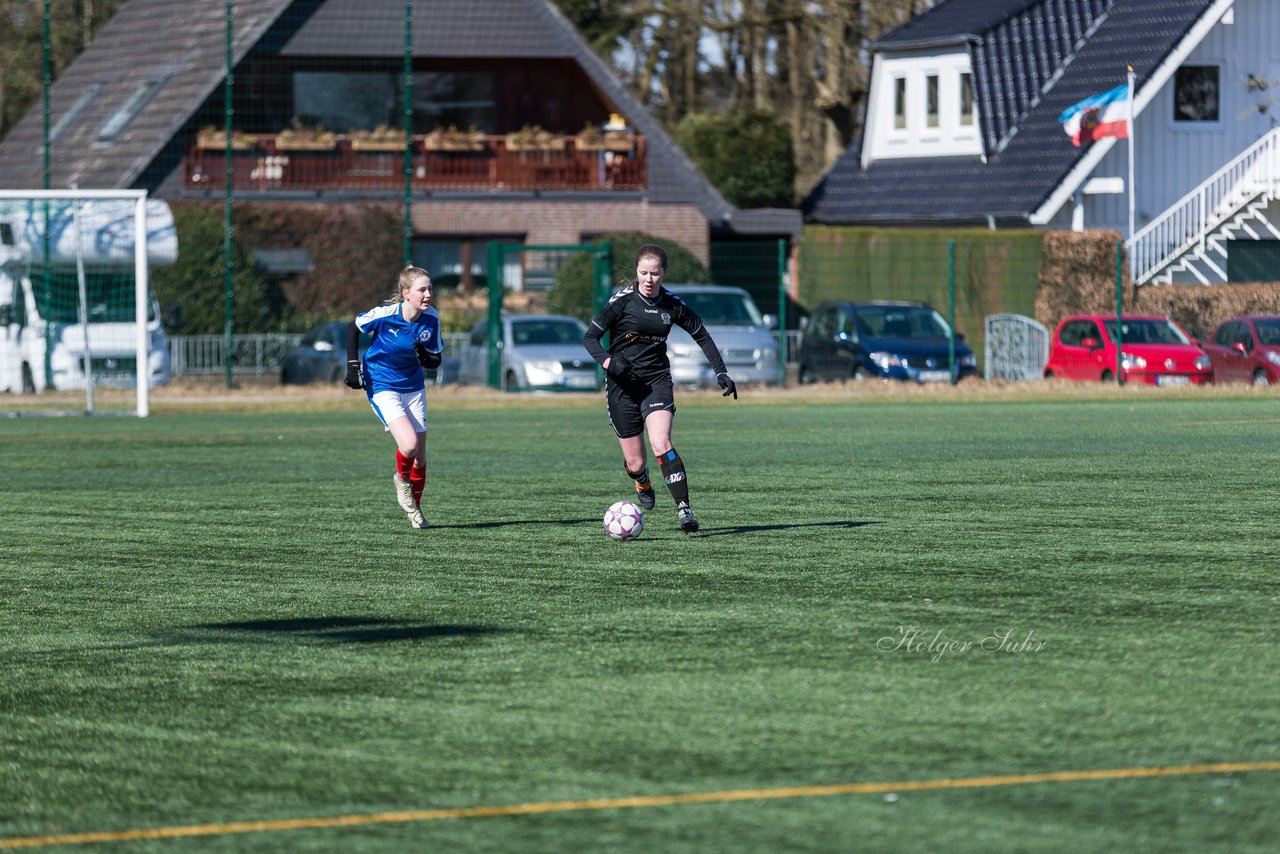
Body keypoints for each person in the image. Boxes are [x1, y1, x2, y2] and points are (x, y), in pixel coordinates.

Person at [583, 244, 737, 533]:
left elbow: (701, 335)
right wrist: (608, 362)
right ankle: (642, 481)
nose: (649, 279)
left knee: (661, 443)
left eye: (655, 273)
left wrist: (721, 372)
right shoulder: (622, 302)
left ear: (663, 273)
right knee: (636, 461)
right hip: (621, 386)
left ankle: (685, 510)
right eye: (643, 273)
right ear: (637, 272)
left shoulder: (672, 304)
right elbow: (590, 337)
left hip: (656, 382)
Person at [343, 265, 444, 529]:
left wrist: (427, 358)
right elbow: (353, 328)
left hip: (413, 387)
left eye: (430, 289)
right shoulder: (387, 314)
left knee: (421, 457)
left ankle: (416, 510)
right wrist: (353, 366)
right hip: (382, 383)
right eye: (422, 289)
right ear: (405, 293)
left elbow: (435, 358)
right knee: (408, 445)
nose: (427, 294)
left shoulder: (431, 318)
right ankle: (402, 481)